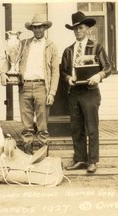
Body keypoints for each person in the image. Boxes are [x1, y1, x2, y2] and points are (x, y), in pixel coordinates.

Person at [61, 11, 111, 173]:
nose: (78, 31)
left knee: (91, 127)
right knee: (76, 127)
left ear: (87, 29)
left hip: (90, 91)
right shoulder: (68, 50)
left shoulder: (96, 47)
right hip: (74, 91)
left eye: (80, 28)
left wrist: (99, 75)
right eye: (75, 29)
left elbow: (108, 67)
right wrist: (68, 78)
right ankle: (80, 159)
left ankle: (93, 161)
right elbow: (63, 71)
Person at [1, 14, 59, 155]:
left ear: (45, 28)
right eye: (35, 27)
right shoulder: (24, 44)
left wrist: (52, 92)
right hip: (25, 87)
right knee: (27, 126)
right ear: (32, 29)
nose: (37, 30)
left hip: (42, 87)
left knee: (42, 126)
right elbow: (10, 56)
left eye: (40, 27)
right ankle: (27, 156)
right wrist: (3, 72)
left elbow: (55, 71)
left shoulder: (51, 46)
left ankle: (42, 157)